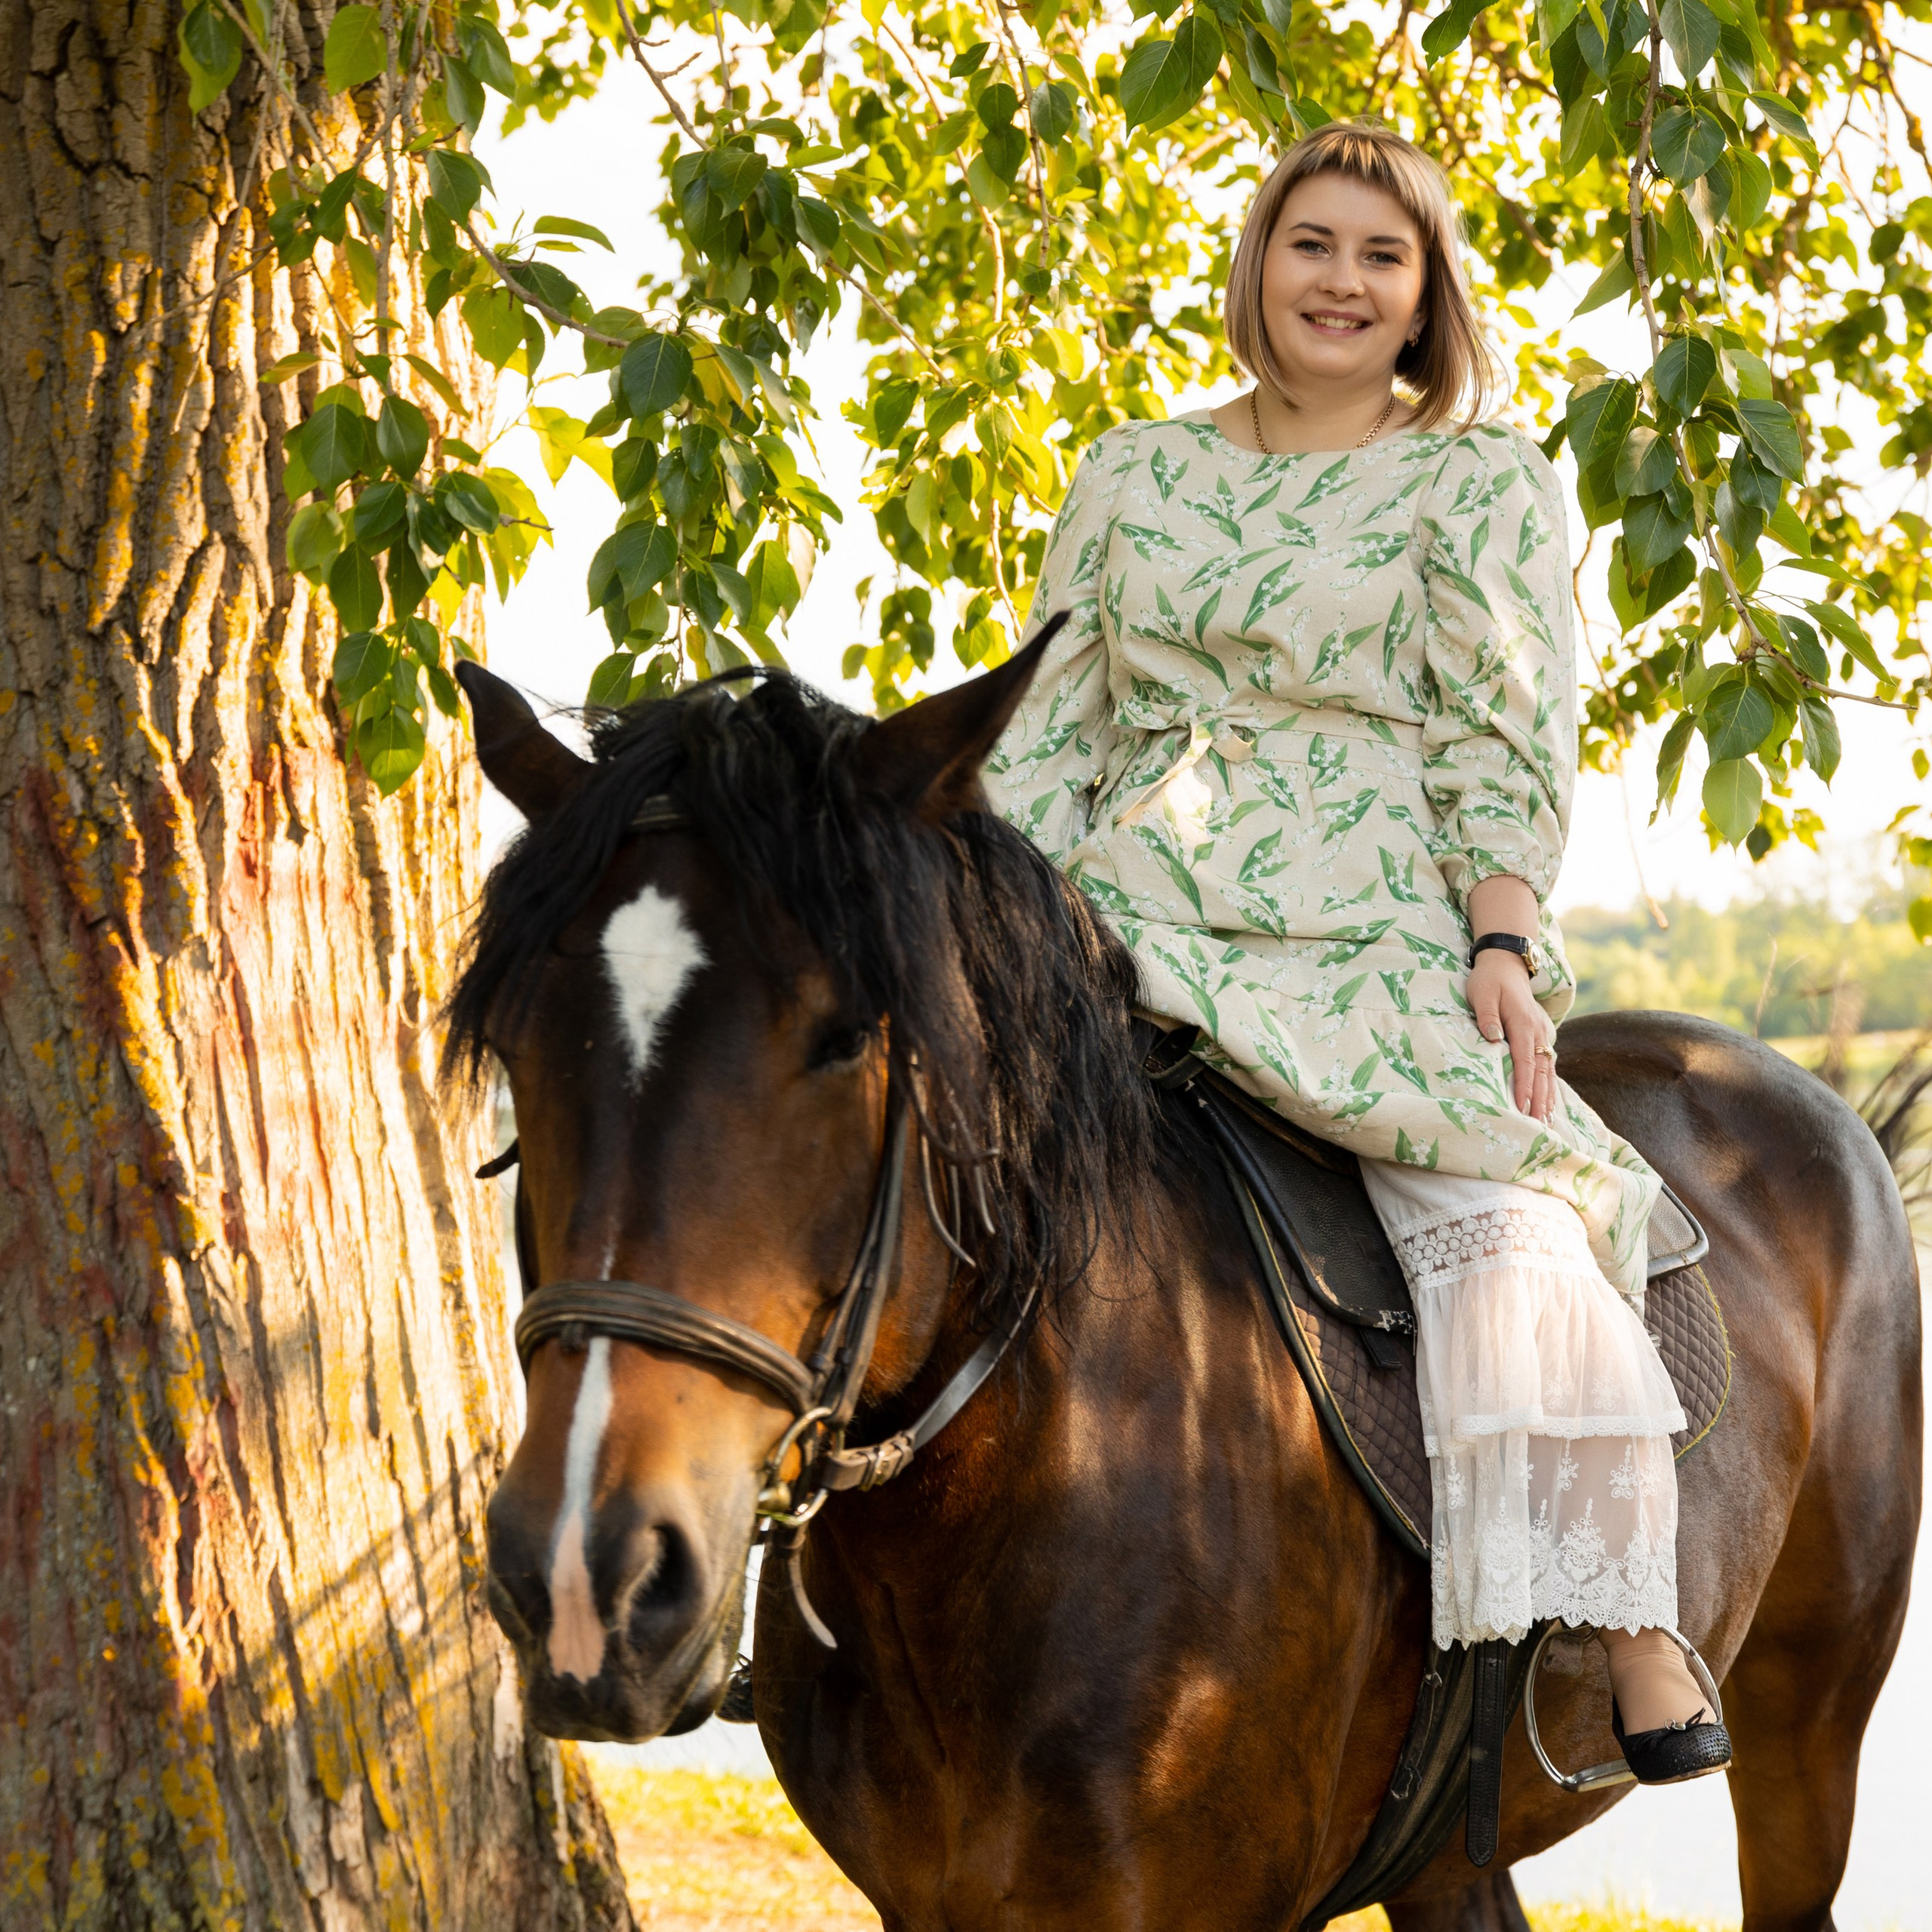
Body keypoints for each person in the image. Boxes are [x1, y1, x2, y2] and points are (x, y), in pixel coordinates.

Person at [986, 120, 1731, 1786]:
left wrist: (1500, 939)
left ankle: (1625, 1617)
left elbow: (1496, 730)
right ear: (1255, 263)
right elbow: (1052, 721)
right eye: (1309, 243)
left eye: (1377, 257)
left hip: (1361, 907)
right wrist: (989, 901)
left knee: (1496, 1202)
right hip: (1118, 894)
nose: (1337, 280)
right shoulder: (1130, 470)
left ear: (1422, 299)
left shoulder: (1475, 478)